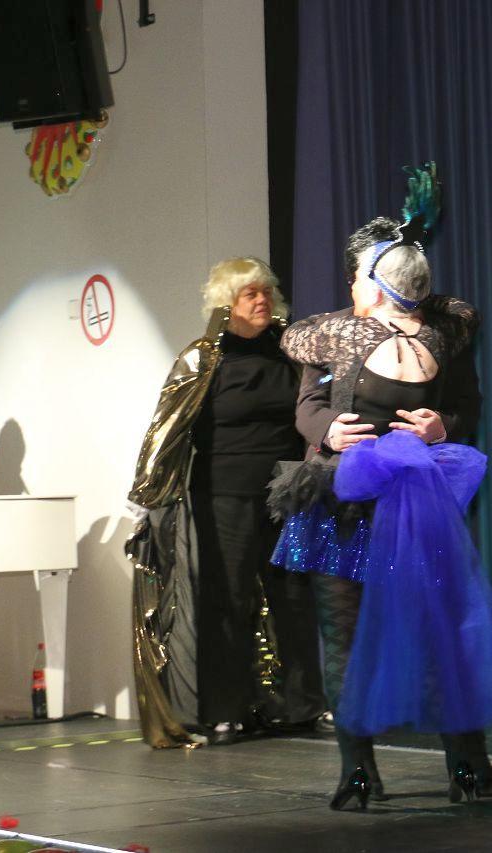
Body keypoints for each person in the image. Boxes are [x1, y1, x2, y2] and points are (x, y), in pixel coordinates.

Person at [269, 212, 492, 811]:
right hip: (340, 502)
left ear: (380, 281)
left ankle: (467, 760)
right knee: (344, 637)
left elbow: (466, 404)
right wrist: (328, 430)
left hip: (414, 504)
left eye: (361, 274)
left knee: (441, 629)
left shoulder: (440, 336)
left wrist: (443, 425)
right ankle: (357, 770)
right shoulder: (331, 336)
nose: (353, 285)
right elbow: (306, 406)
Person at [126, 258, 326, 748]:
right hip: (224, 493)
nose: (261, 300)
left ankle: (300, 705)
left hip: (286, 492)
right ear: (227, 303)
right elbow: (166, 427)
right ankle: (224, 711)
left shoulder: (290, 354)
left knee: (293, 597)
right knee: (228, 599)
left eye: (265, 291)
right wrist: (146, 493)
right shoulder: (203, 359)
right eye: (249, 293)